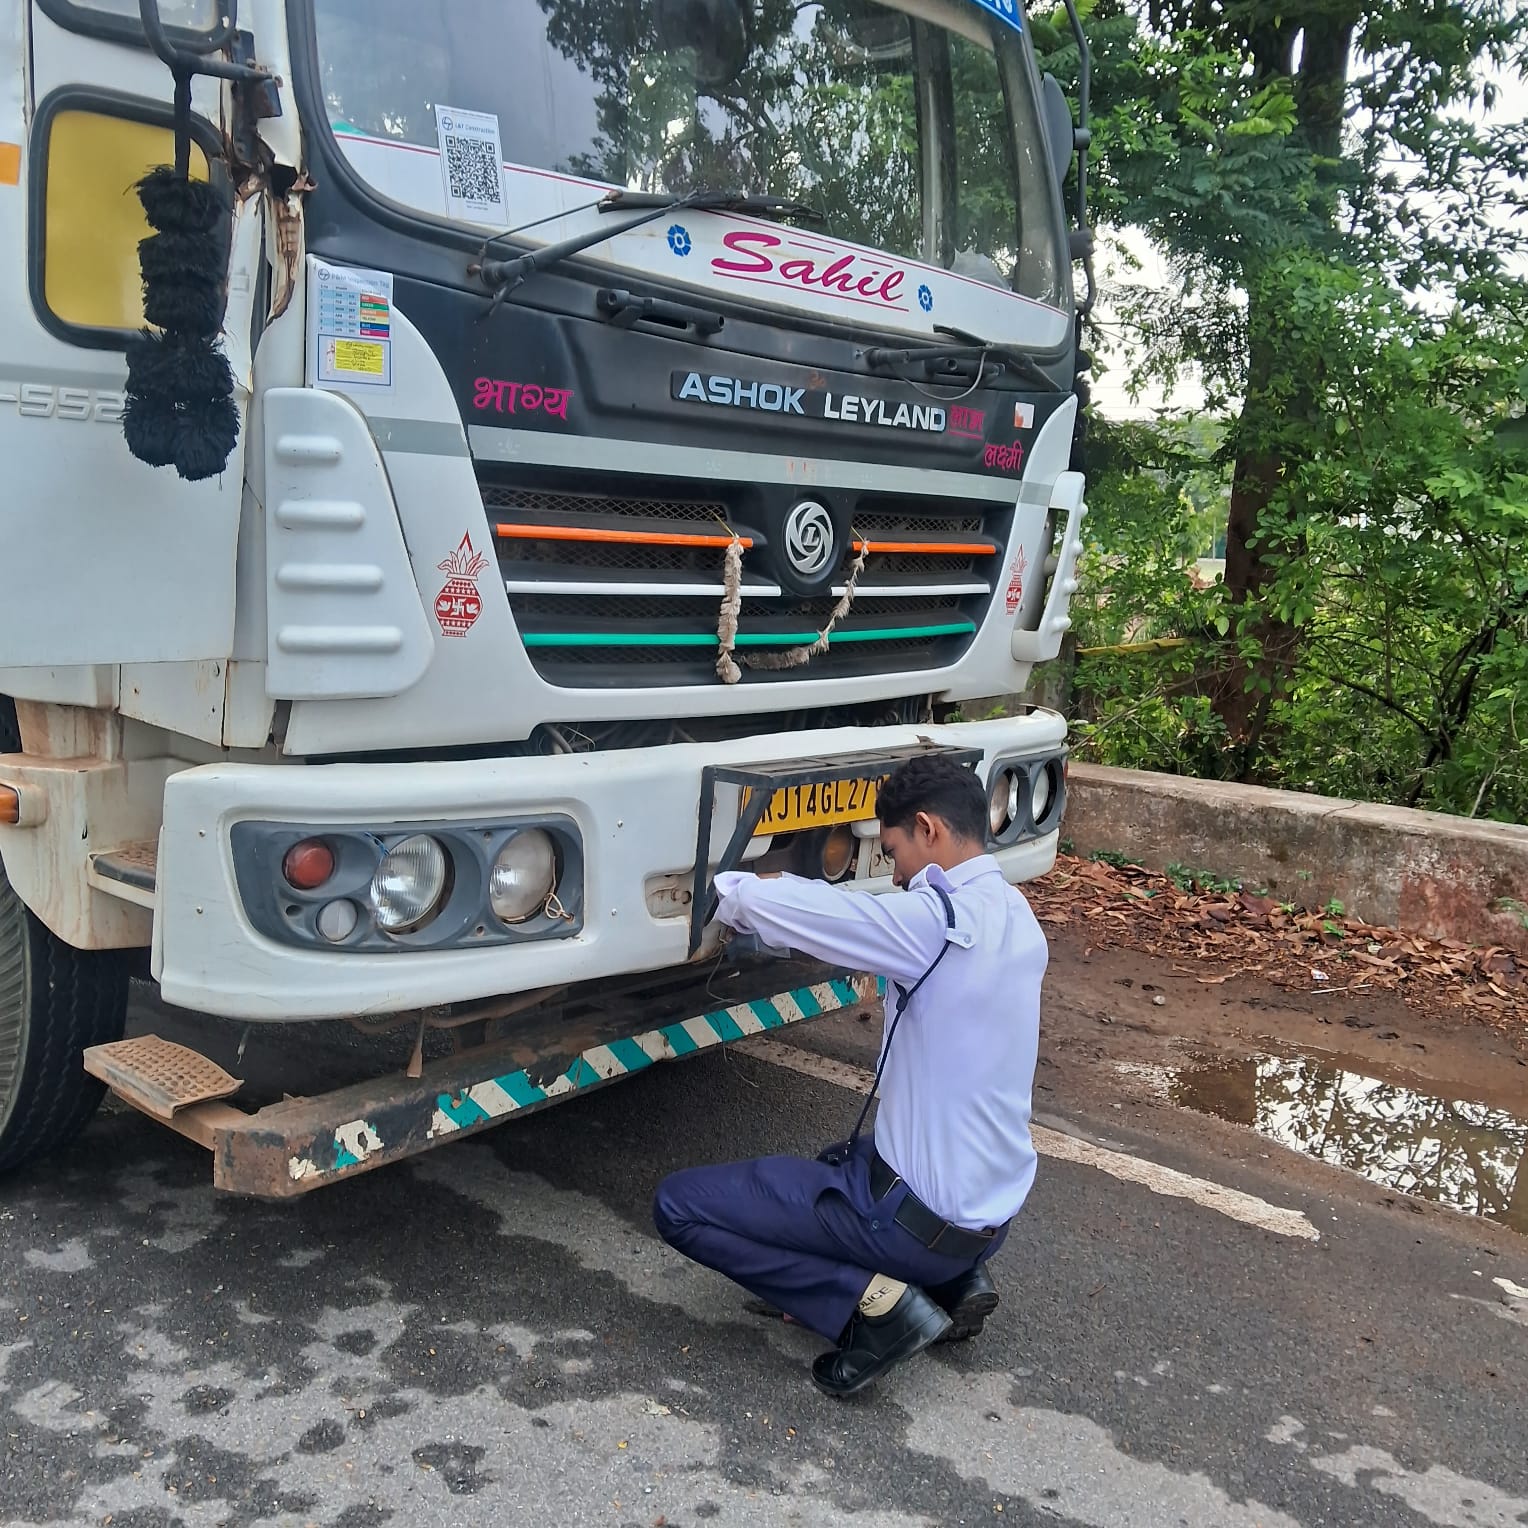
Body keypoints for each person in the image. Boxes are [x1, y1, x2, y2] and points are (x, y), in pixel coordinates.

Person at [652, 753, 1047, 1397]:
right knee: (839, 1158)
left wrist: (727, 891)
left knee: (680, 1207)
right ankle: (955, 1279)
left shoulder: (936, 926)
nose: (894, 874)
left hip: (911, 1225)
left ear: (929, 830)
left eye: (894, 851)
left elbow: (818, 913)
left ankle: (876, 1307)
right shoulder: (1018, 918)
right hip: (988, 1227)